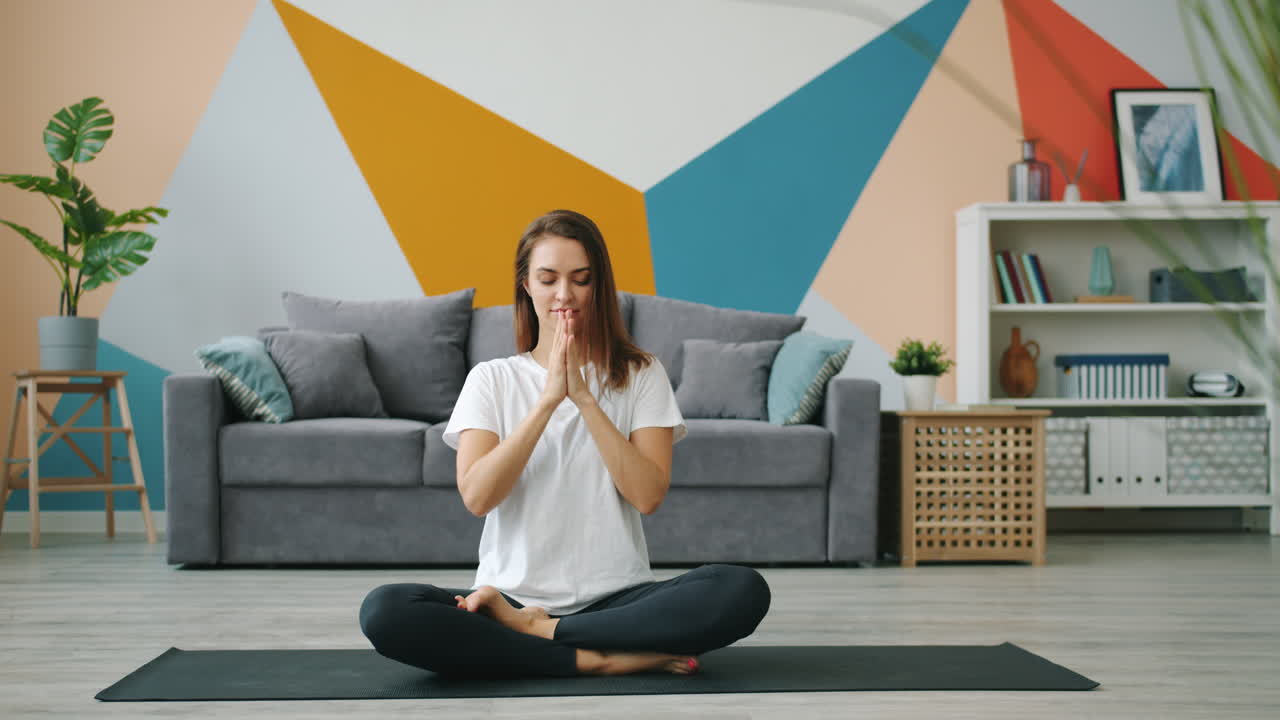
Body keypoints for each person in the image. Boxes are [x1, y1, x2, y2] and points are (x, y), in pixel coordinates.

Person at [358, 209, 771, 677]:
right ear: (526, 285)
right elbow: (478, 496)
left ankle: (543, 636)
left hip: (619, 600)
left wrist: (585, 400)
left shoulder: (641, 374)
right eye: (548, 278)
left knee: (741, 588)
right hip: (507, 598)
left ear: (599, 286)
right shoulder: (492, 379)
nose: (565, 295)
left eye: (581, 279)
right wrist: (547, 402)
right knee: (386, 610)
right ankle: (596, 658)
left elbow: (648, 495)